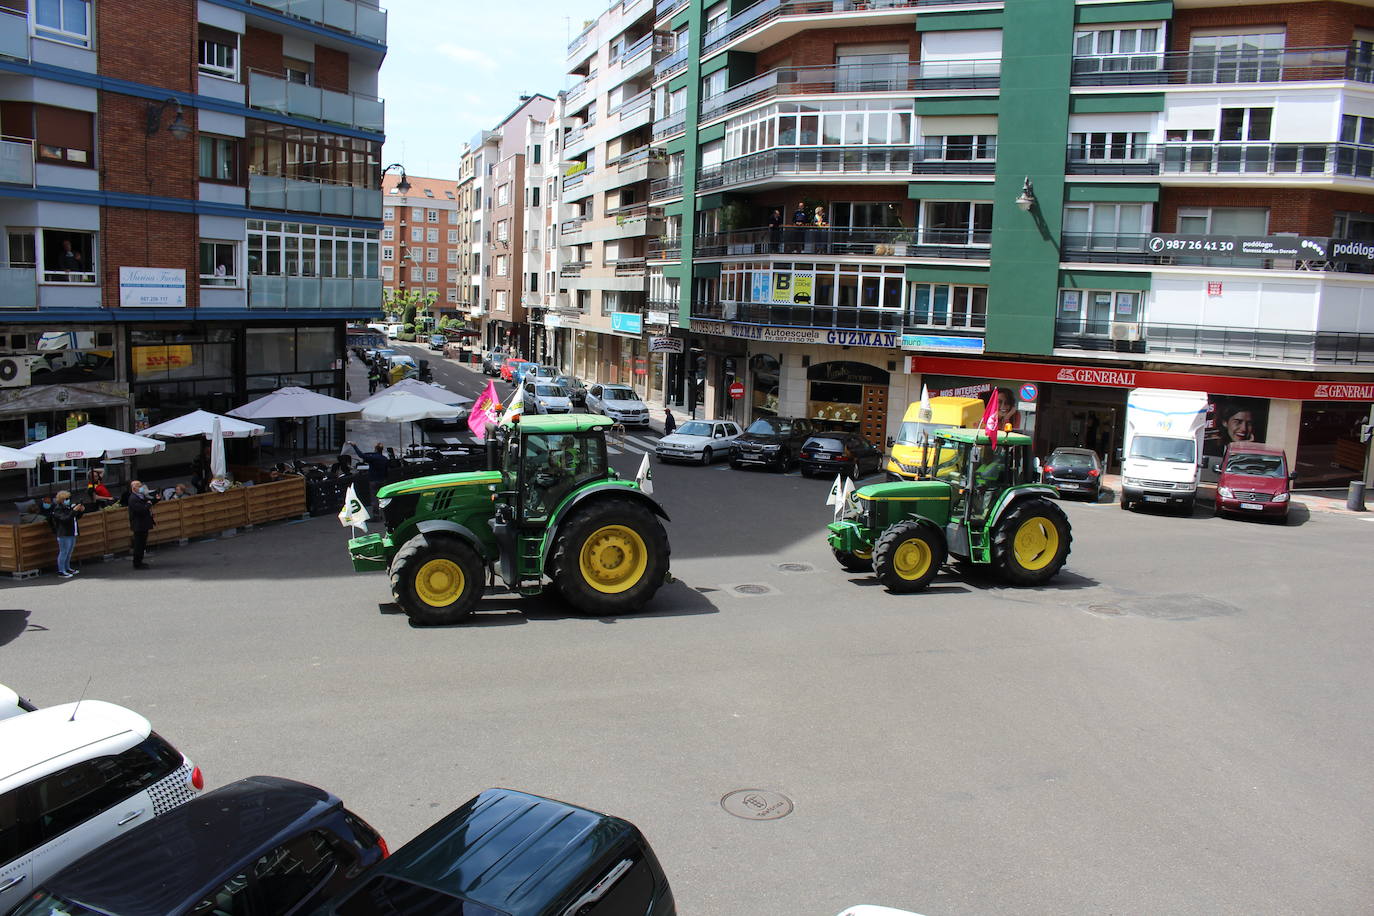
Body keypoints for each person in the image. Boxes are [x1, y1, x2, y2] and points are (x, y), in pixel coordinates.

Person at [50, 490, 84, 578]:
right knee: (64, 552)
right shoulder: (58, 509)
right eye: (66, 499)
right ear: (61, 500)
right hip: (64, 534)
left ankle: (67, 567)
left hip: (72, 532)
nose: (68, 500)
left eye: (69, 498)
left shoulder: (68, 507)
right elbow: (65, 519)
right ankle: (61, 570)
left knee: (69, 552)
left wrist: (80, 511)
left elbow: (75, 517)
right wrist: (74, 511)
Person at [348, 441, 390, 510]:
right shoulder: (384, 459)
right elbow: (386, 471)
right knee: (382, 497)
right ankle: (384, 511)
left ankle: (376, 514)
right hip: (382, 480)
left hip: (374, 480)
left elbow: (361, 455)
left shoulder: (373, 458)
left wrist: (354, 446)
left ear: (375, 449)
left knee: (374, 498)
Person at [127, 480, 156, 570]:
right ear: (134, 488)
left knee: (142, 544)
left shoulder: (140, 496)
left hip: (143, 524)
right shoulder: (133, 498)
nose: (141, 487)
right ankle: (137, 563)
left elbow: (149, 501)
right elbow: (141, 510)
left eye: (141, 485)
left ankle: (140, 561)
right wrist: (148, 505)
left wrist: (155, 499)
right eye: (139, 486)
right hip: (138, 525)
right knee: (139, 545)